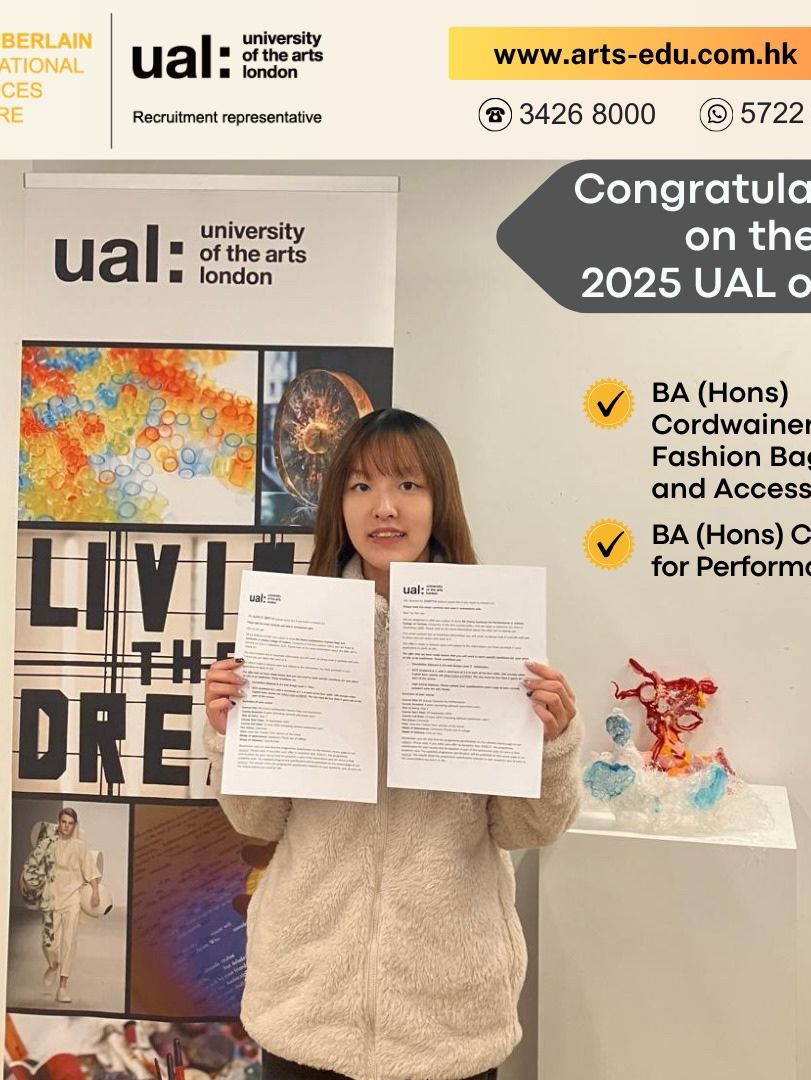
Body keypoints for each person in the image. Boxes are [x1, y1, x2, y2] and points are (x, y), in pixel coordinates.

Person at [204, 408, 581, 1080]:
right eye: (360, 486)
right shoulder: (297, 631)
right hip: (307, 1004)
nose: (384, 507)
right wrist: (231, 736)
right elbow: (256, 819)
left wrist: (551, 745)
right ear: (338, 505)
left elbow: (526, 829)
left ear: (440, 501)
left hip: (446, 1019)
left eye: (408, 484)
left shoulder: (490, 632)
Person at [34, 807, 103, 1004]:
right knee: (49, 942)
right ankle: (53, 965)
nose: (66, 826)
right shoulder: (50, 843)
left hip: (73, 898)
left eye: (70, 823)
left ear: (74, 825)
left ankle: (62, 987)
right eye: (63, 822)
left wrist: (95, 891)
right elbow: (39, 868)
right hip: (52, 897)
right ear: (59, 822)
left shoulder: (80, 847)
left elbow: (89, 869)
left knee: (69, 941)